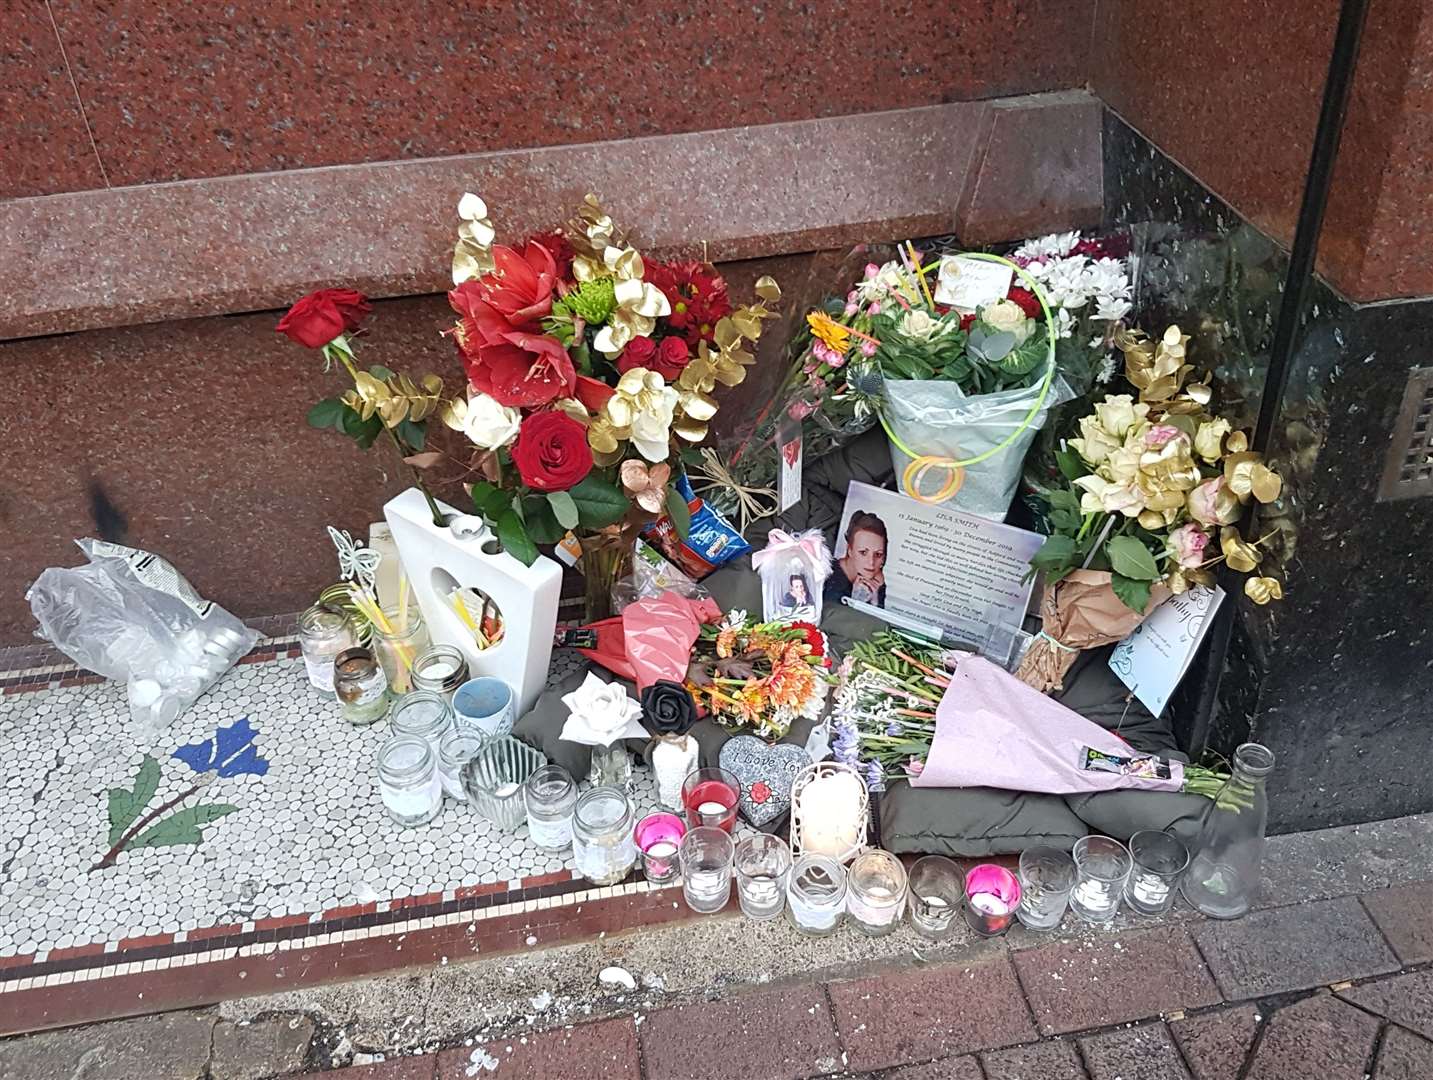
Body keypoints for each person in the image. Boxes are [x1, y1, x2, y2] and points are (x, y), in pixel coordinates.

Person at [825, 511, 888, 608]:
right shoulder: (827, 573)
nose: (871, 562)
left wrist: (874, 604)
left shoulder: (877, 583)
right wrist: (856, 602)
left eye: (878, 554)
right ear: (849, 550)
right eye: (863, 552)